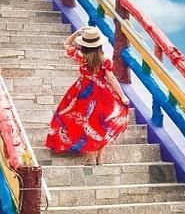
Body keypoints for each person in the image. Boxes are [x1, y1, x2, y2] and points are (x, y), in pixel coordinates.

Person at [45, 26, 130, 165]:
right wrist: (122, 96)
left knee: (87, 123)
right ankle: (100, 158)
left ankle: (91, 158)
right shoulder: (105, 59)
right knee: (101, 125)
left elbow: (66, 44)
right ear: (99, 44)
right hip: (102, 92)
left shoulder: (81, 56)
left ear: (84, 44)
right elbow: (111, 78)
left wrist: (77, 33)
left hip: (82, 92)